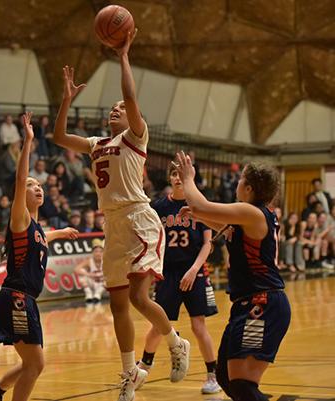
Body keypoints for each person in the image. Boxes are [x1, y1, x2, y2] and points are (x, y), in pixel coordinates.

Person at [52, 31, 190, 400]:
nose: (116, 110)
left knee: (139, 299)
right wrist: (65, 100)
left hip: (139, 217)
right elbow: (60, 136)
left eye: (120, 108)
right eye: (111, 109)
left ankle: (176, 343)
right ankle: (130, 372)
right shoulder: (97, 144)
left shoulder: (135, 136)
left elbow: (130, 96)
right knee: (117, 306)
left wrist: (123, 55)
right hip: (112, 224)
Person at [0, 112, 78, 401]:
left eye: (39, 185)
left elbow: (43, 239)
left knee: (31, 362)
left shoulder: (38, 230)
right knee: (36, 363)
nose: (37, 188)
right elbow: (19, 177)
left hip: (25, 299)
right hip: (16, 297)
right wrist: (29, 141)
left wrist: (61, 232)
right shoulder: (19, 219)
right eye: (33, 186)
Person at [174, 153, 291, 401]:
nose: (236, 183)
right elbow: (224, 228)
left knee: (241, 385)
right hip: (248, 303)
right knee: (225, 378)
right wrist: (198, 217)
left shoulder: (253, 213)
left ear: (248, 188)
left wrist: (188, 179)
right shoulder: (249, 218)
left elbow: (200, 205)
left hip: (262, 303)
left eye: (240, 179)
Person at [137, 162, 220, 394]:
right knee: (158, 325)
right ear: (170, 179)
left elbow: (208, 244)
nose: (177, 178)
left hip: (194, 271)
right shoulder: (159, 207)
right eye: (173, 174)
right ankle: (143, 365)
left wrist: (194, 269)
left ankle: (212, 375)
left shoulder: (199, 205)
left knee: (198, 325)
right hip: (168, 272)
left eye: (181, 175)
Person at [74, 238, 106, 303]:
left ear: (103, 253)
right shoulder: (89, 261)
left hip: (103, 286)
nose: (98, 254)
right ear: (93, 253)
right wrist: (90, 275)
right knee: (82, 273)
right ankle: (88, 294)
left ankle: (98, 295)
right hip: (93, 283)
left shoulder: (106, 261)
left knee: (110, 279)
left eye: (100, 252)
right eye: (96, 251)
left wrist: (103, 276)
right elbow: (76, 269)